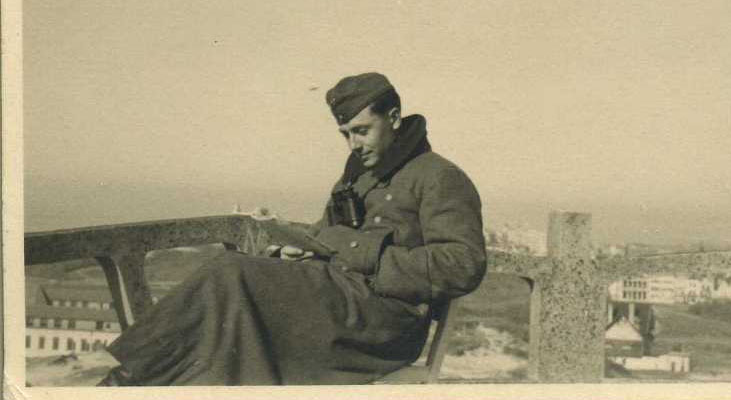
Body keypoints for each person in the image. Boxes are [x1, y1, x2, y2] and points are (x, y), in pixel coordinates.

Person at [98, 72, 487, 385]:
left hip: (384, 323)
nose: (352, 144)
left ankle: (129, 379)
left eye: (361, 130)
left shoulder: (439, 176)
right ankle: (138, 379)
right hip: (338, 303)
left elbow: (463, 264)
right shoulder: (358, 175)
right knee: (233, 295)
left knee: (231, 273)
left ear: (395, 118)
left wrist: (355, 251)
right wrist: (297, 247)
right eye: (346, 134)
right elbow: (328, 233)